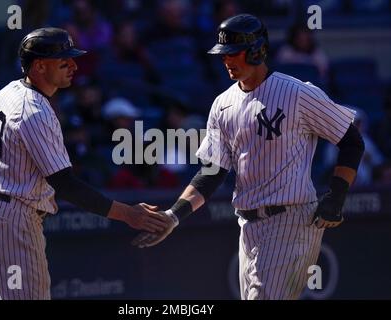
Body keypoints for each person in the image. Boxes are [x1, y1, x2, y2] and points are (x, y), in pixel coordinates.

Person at [132, 14, 365, 300]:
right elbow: (212, 172)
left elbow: (351, 140)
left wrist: (337, 195)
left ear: (257, 50)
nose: (227, 60)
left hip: (291, 220)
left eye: (233, 52)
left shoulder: (297, 93)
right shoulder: (223, 104)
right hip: (248, 227)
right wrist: (173, 215)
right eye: (223, 54)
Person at [0, 28, 170, 300]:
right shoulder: (33, 110)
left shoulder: (7, 92)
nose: (74, 66)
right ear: (40, 66)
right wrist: (128, 214)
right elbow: (65, 184)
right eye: (64, 61)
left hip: (1, 211)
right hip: (13, 217)